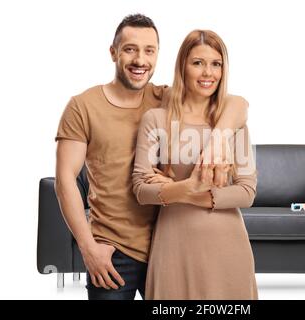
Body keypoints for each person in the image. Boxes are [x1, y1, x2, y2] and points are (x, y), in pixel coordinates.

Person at [54, 14, 249, 300]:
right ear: (113, 52)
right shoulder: (83, 107)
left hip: (168, 242)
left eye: (149, 50)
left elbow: (237, 103)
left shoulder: (165, 99)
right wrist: (88, 247)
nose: (140, 60)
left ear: (158, 55)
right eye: (130, 49)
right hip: (114, 251)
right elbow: (64, 180)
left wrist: (218, 140)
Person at [132, 29, 258, 299]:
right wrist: (187, 188)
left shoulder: (233, 123)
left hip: (228, 246)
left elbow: (247, 192)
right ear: (182, 67)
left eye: (216, 64)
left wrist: (182, 191)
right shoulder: (156, 120)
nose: (207, 73)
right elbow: (141, 190)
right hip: (174, 245)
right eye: (198, 63)